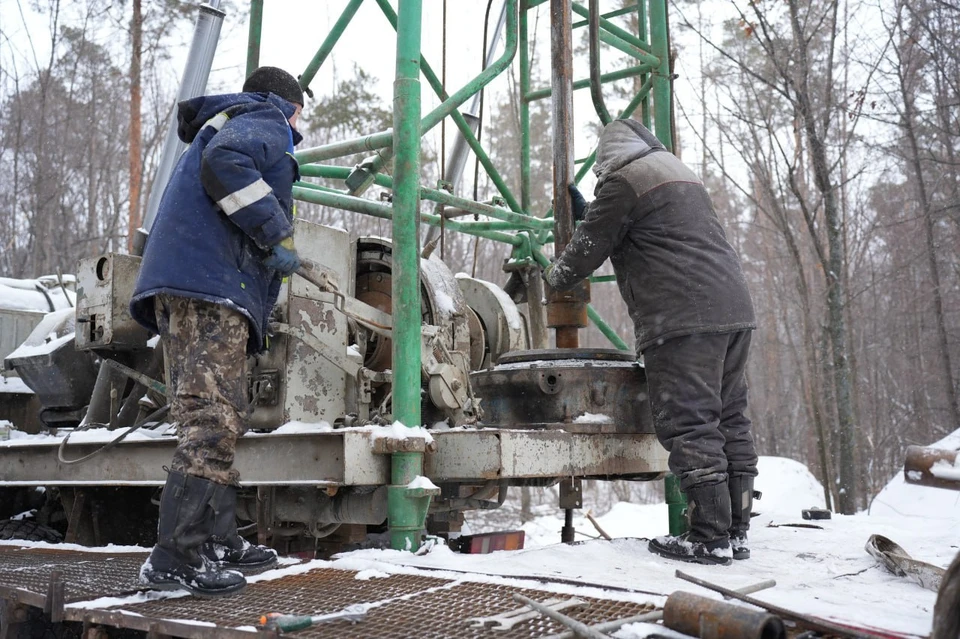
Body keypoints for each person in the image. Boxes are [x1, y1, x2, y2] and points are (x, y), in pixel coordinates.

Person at [545, 118, 759, 566]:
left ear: (606, 157)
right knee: (729, 420)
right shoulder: (676, 171)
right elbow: (652, 230)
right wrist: (593, 212)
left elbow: (585, 252)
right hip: (734, 312)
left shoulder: (622, 180)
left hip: (683, 319)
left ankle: (708, 538)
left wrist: (553, 277)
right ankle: (735, 533)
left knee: (691, 423)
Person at [129, 66, 306, 596]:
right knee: (212, 420)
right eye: (302, 116)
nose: (300, 127)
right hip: (210, 288)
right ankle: (175, 560)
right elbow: (225, 164)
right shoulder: (266, 119)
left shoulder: (225, 120)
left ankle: (218, 540)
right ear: (290, 106)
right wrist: (275, 230)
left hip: (191, 286)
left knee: (218, 415)